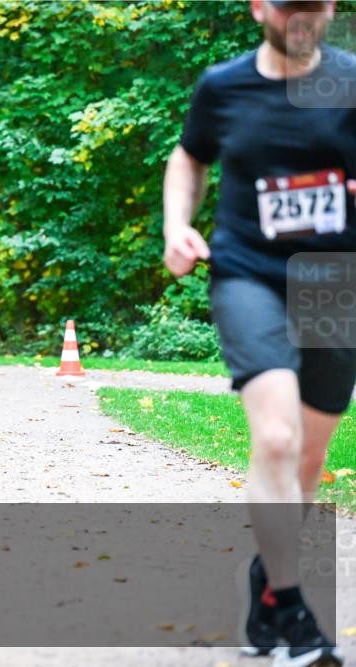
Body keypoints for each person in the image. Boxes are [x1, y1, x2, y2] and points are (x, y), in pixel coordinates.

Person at [163, 2, 354, 664]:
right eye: (289, 5)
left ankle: (268, 584)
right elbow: (188, 160)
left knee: (306, 461)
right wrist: (175, 227)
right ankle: (295, 611)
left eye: (315, 5)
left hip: (332, 281)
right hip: (248, 274)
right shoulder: (224, 86)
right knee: (275, 436)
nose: (302, 18)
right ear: (258, 7)